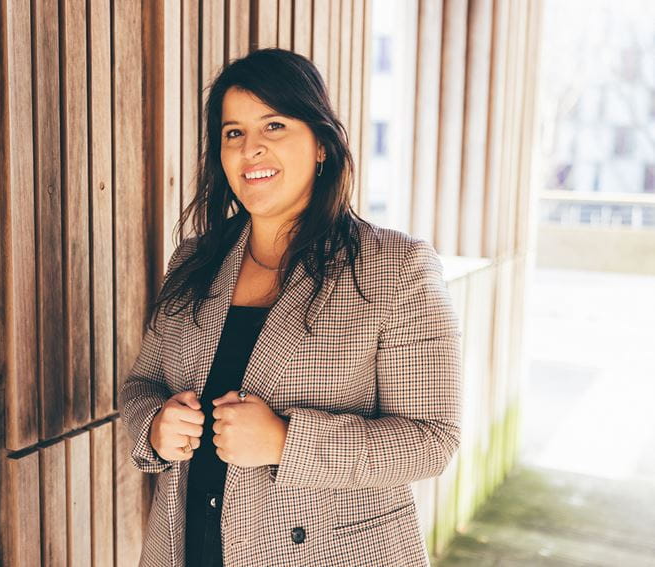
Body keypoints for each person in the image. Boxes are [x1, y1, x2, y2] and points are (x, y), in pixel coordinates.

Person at [119, 47, 462, 567]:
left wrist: (285, 441)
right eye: (234, 133)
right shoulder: (196, 260)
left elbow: (432, 441)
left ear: (321, 144)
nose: (250, 149)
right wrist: (155, 426)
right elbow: (141, 386)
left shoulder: (395, 268)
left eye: (273, 126)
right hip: (186, 549)